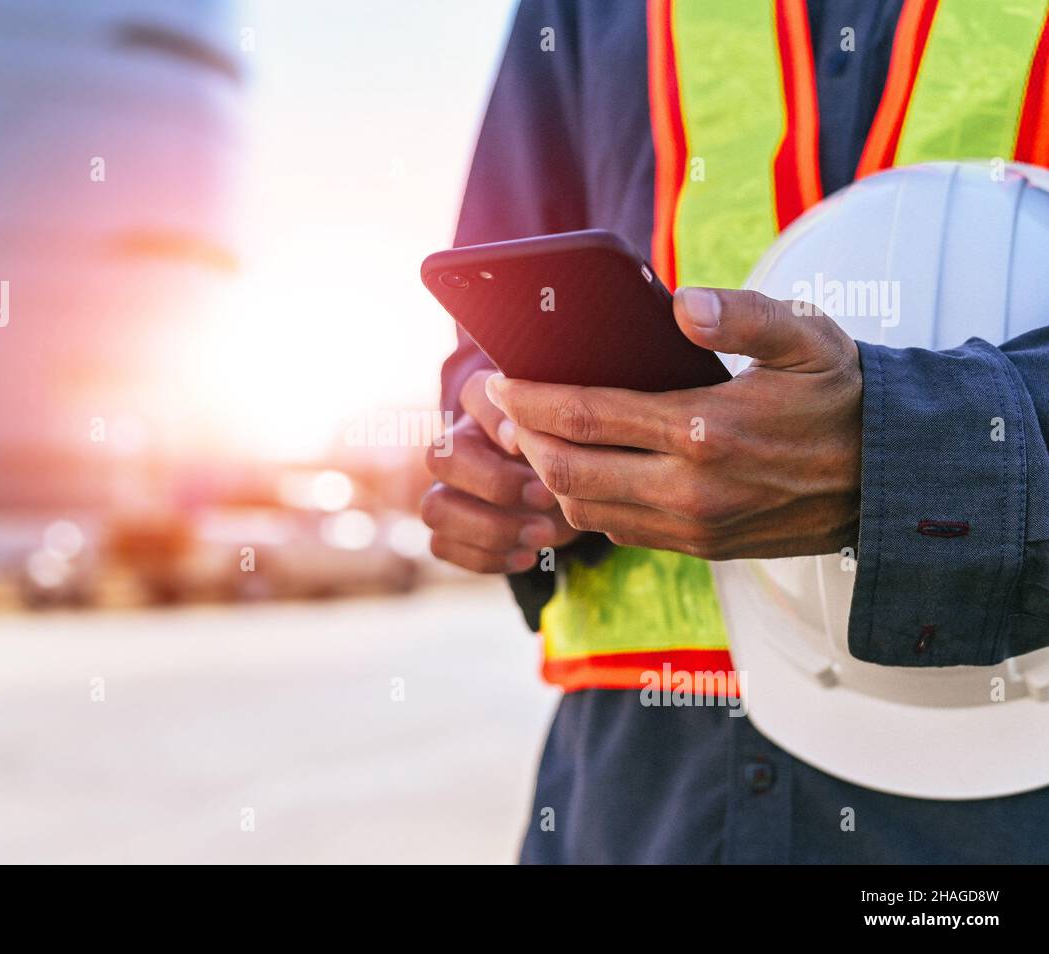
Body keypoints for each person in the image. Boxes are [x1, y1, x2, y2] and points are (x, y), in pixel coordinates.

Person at [423, 0, 1049, 863]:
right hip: (641, 780)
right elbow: (494, 320)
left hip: (1005, 771)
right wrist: (505, 444)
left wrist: (914, 456)